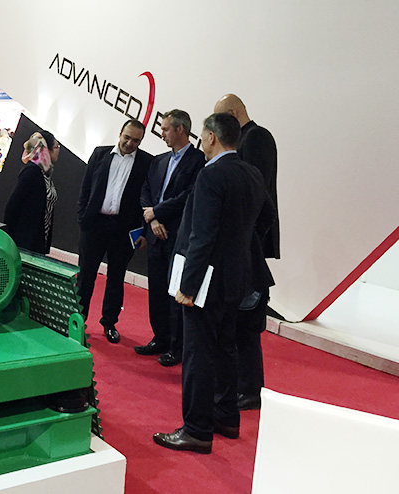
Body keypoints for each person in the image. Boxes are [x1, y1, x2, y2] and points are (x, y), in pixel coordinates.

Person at [153, 113, 275, 454]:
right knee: (226, 349)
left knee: (198, 355)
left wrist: (188, 287)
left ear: (211, 137)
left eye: (203, 135)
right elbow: (267, 217)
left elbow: (202, 235)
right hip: (236, 278)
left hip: (205, 282)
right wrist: (238, 247)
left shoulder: (211, 174)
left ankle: (196, 429)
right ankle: (226, 418)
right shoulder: (251, 173)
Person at [214, 93, 279, 410]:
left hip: (247, 247)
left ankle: (250, 388)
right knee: (238, 322)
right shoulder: (249, 138)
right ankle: (243, 385)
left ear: (233, 113)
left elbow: (257, 195)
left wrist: (246, 239)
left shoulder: (257, 137)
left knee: (246, 324)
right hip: (242, 245)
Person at [134, 110, 205, 365]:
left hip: (178, 237)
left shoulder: (199, 161)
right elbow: (146, 191)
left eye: (165, 129)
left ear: (180, 129)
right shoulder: (159, 160)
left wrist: (158, 212)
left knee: (175, 293)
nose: (161, 133)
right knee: (156, 291)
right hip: (155, 235)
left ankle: (177, 346)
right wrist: (152, 220)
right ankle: (160, 338)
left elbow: (189, 196)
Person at [76, 119, 151, 344]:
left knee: (116, 278)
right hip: (94, 225)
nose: (130, 143)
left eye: (136, 140)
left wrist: (143, 231)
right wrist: (83, 218)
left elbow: (148, 198)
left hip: (124, 229)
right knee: (86, 275)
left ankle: (109, 323)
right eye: (127, 137)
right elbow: (85, 187)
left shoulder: (146, 162)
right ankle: (78, 320)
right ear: (120, 133)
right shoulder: (100, 154)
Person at [3, 131, 61, 254]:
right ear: (46, 149)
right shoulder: (32, 171)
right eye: (56, 146)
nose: (58, 150)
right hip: (26, 241)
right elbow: (13, 205)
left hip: (38, 239)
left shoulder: (45, 172)